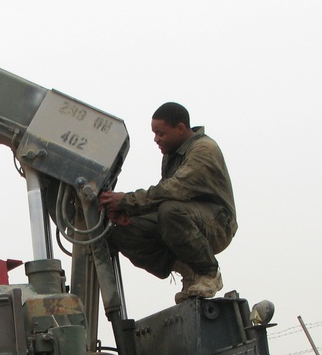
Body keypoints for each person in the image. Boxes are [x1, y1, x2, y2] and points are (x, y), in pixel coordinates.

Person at [97, 102, 236, 303]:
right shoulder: (172, 155)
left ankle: (208, 273)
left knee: (170, 211)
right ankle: (187, 270)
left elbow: (172, 190)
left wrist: (125, 201)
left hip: (218, 225)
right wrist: (129, 213)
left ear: (180, 128)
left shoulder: (204, 149)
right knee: (121, 231)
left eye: (161, 133)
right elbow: (162, 197)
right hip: (185, 217)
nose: (156, 139)